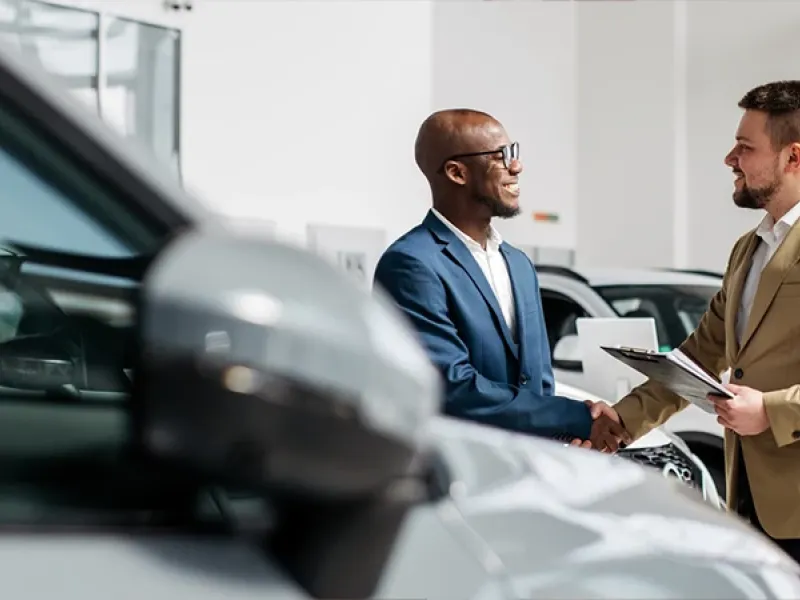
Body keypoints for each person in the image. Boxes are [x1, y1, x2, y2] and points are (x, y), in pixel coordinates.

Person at [589, 80, 800, 561]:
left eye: (745, 148)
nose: (730, 159)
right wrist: (623, 420)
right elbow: (700, 355)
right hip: (749, 499)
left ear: (793, 157)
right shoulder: (747, 250)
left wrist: (772, 411)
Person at [373, 108, 627, 445]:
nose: (516, 166)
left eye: (514, 152)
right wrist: (577, 418)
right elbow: (452, 387)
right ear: (456, 172)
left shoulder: (519, 263)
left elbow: (537, 381)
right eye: (500, 156)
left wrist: (564, 439)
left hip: (530, 466)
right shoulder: (411, 263)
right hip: (462, 471)